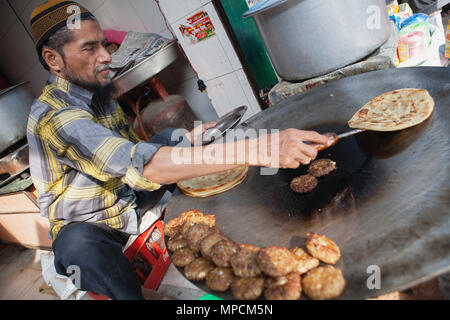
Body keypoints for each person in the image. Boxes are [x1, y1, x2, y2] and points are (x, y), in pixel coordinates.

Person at [27, 0, 332, 300]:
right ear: (53, 59)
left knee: (174, 135)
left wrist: (187, 140)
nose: (107, 56)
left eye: (105, 45)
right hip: (94, 221)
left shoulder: (96, 91)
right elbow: (143, 166)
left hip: (128, 194)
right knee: (79, 246)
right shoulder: (56, 117)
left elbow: (131, 150)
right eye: (89, 48)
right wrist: (256, 150)